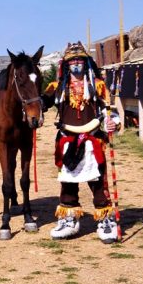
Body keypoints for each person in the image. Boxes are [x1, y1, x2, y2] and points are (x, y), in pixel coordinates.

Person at [41, 42, 120, 243]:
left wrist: (113, 122)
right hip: (68, 139)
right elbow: (41, 103)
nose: (76, 63)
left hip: (93, 138)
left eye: (79, 60)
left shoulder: (98, 86)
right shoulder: (57, 87)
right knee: (68, 181)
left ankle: (105, 220)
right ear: (66, 65)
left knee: (98, 181)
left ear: (86, 62)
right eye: (72, 61)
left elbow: (110, 111)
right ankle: (69, 219)